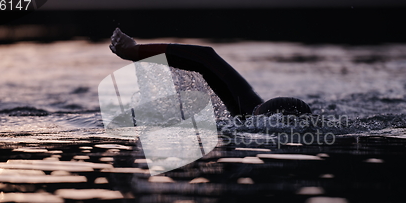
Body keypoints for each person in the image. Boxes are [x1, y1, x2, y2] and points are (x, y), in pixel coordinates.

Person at [109, 28, 311, 118]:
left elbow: (205, 57)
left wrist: (134, 52)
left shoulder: (247, 115)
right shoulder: (248, 113)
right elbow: (206, 57)